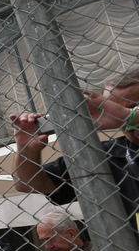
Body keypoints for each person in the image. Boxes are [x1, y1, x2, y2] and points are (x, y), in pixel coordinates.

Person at [10, 65, 139, 226]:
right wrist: (27, 149)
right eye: (118, 109)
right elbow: (27, 184)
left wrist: (130, 117)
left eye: (135, 107)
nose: (124, 118)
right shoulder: (107, 155)